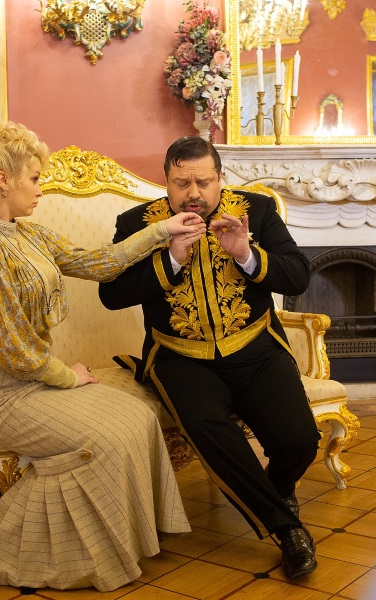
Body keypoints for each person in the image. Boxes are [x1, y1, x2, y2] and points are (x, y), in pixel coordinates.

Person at [0, 120, 206, 592]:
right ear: (3, 179)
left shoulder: (26, 234)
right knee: (107, 438)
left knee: (137, 418)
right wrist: (68, 376)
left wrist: (162, 230)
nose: (40, 189)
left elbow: (98, 263)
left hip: (31, 378)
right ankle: (56, 552)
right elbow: (14, 352)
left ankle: (130, 538)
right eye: (34, 178)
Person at [98, 135, 321, 580]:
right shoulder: (137, 223)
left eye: (203, 181)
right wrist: (170, 260)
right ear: (166, 181)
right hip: (180, 357)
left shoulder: (257, 210)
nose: (194, 193)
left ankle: (278, 492)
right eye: (182, 183)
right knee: (213, 433)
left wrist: (246, 254)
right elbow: (112, 293)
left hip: (256, 349)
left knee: (300, 440)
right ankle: (287, 529)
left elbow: (298, 275)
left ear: (221, 178)